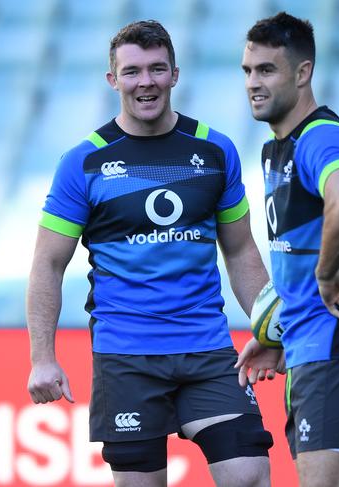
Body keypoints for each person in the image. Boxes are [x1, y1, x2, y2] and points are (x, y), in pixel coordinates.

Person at [26, 20, 275, 487]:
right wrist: (43, 357)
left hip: (207, 349)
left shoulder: (215, 151)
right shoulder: (84, 162)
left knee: (249, 474)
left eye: (157, 69)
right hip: (127, 357)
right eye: (133, 71)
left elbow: (240, 251)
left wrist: (270, 329)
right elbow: (48, 264)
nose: (146, 82)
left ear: (175, 75)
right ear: (113, 79)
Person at [236, 12, 339, 487]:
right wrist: (276, 333)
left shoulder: (319, 136)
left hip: (338, 348)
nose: (252, 83)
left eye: (266, 70)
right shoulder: (276, 148)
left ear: (303, 73)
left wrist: (327, 275)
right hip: (309, 347)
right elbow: (296, 255)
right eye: (247, 70)